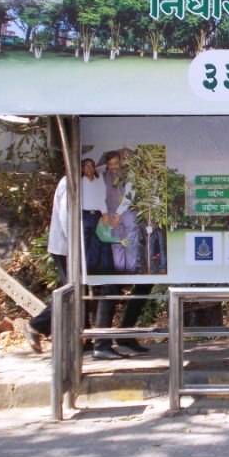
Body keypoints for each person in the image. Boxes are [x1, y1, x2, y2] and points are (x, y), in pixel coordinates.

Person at [92, 150, 146, 359]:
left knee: (131, 244)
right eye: (111, 164)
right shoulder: (100, 176)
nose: (114, 167)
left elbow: (130, 194)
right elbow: (96, 174)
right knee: (116, 250)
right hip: (109, 215)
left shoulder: (129, 175)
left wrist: (120, 213)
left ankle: (130, 269)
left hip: (125, 213)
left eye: (117, 163)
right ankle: (102, 344)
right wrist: (108, 215)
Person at [17, 176, 68, 353]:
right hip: (66, 248)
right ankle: (36, 326)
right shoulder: (70, 183)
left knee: (78, 291)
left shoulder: (79, 180)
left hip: (70, 247)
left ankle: (81, 340)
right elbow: (66, 219)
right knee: (73, 291)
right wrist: (77, 246)